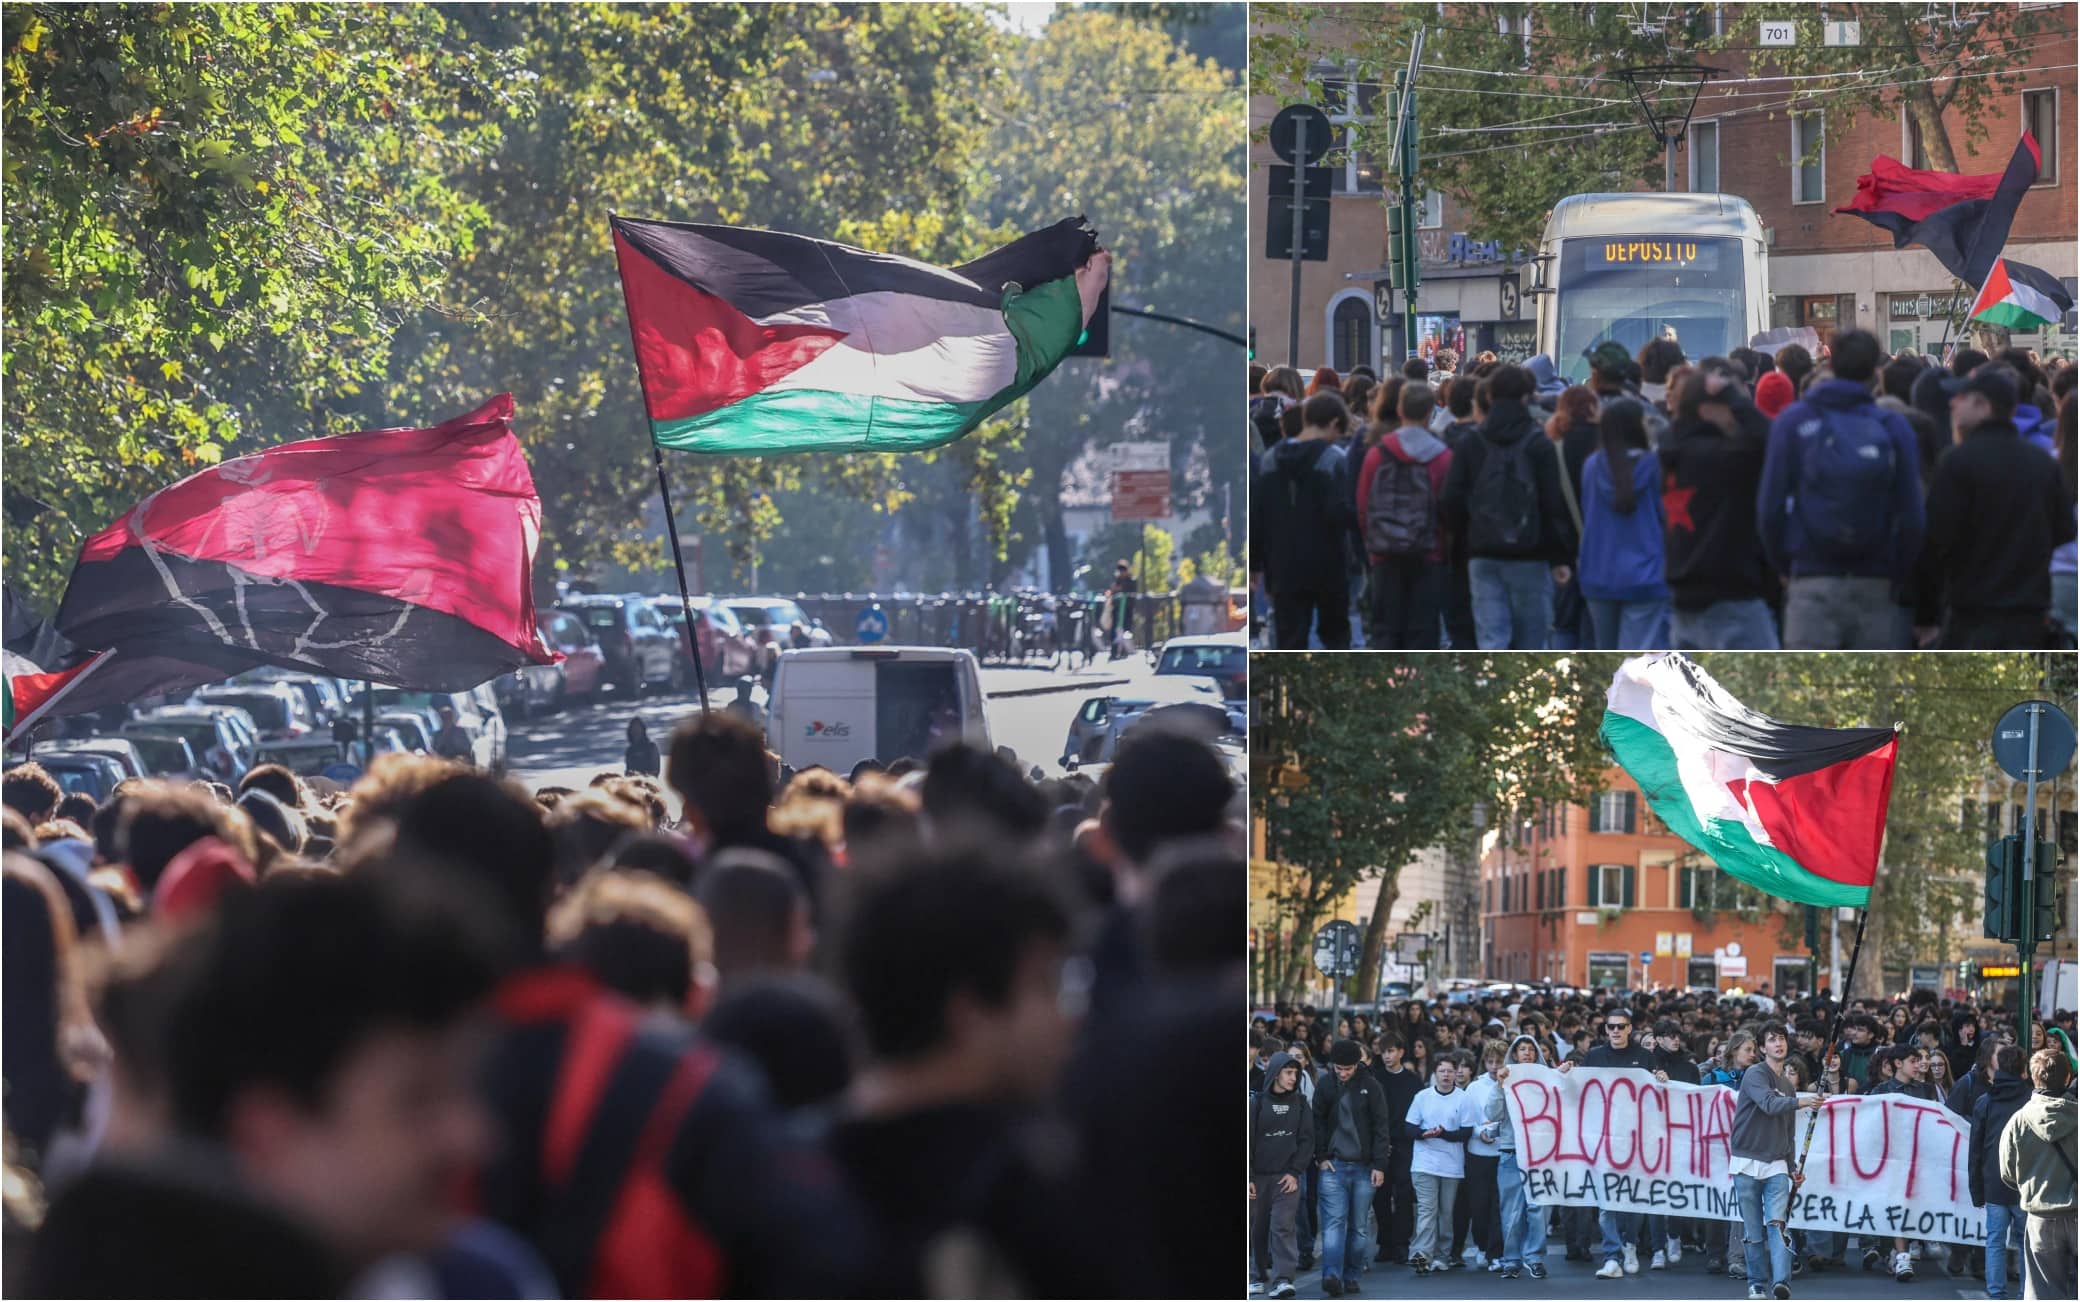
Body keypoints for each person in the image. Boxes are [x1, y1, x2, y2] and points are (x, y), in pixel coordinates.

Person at [1758, 329, 1925, 649]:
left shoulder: (1793, 422)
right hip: (1875, 580)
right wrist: (1894, 570)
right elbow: (1913, 515)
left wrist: (1786, 565)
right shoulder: (1893, 426)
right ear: (1877, 371)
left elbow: (1769, 508)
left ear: (1829, 365)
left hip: (1810, 577)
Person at [1915, 367, 2076, 647]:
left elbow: (1934, 541)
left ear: (1983, 406)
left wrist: (1926, 615)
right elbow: (2064, 530)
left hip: (1972, 612)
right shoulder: (2042, 463)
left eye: (1961, 397)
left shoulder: (1957, 462)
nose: (1952, 403)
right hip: (2031, 613)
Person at [1439, 365, 1576, 649]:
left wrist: (1465, 540)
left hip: (1481, 552)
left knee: (1491, 635)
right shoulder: (1539, 442)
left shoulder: (1470, 443)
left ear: (1488, 396)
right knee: (1531, 638)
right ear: (1529, 396)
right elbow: (1552, 503)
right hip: (1531, 552)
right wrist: (1560, 557)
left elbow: (1450, 499)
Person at [1660, 364, 1778, 649]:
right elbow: (1773, 439)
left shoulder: (1670, 454)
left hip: (1682, 599)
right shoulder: (1724, 459)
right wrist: (1733, 397)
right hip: (1731, 598)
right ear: (1708, 409)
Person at [1558, 1006, 1663, 1276]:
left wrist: (1662, 1081)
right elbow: (1580, 1094)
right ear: (1606, 1029)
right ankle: (1612, 1255)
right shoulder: (1594, 1056)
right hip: (1602, 1139)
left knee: (1633, 1199)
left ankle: (1629, 1244)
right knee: (1606, 1202)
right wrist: (1566, 1076)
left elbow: (1655, 1100)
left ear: (1630, 1029)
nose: (1615, 1031)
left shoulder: (1644, 1057)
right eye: (1611, 1026)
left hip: (1635, 1140)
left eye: (1621, 1026)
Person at [1251, 391, 1358, 649]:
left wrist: (1257, 563)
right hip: (1328, 560)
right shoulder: (1333, 459)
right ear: (1333, 423)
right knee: (1335, 634)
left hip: (1283, 561)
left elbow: (1258, 514)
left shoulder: (1271, 460)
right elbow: (1341, 512)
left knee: (1289, 636)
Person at [1730, 1022, 1824, 1301]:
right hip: (1746, 1162)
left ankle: (1781, 1283)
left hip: (1777, 1165)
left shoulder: (1788, 1086)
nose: (1778, 1043)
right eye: (1772, 1040)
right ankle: (1757, 1283)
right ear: (1762, 1048)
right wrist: (1806, 1102)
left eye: (1781, 1039)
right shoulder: (1753, 1074)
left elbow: (1788, 1132)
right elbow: (1770, 1106)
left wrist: (1792, 1166)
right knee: (1752, 1230)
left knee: (1777, 1225)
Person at [1357, 381, 1452, 648]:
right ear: (1429, 412)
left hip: (1384, 551)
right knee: (1424, 628)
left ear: (1399, 409)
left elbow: (1364, 504)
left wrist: (1370, 541)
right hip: (1428, 551)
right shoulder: (1442, 456)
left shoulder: (1377, 453)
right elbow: (1447, 506)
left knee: (1385, 628)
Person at [1578, 399, 1670, 649]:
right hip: (1646, 573)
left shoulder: (1592, 466)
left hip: (1598, 570)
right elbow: (1666, 516)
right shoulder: (1654, 465)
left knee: (1605, 651)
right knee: (1638, 658)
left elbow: (1587, 511)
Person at [1312, 1038, 1392, 1296]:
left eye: (1348, 1068)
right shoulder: (1325, 1085)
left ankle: (1352, 1276)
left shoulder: (1371, 1086)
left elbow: (1382, 1128)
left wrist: (1380, 1165)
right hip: (1333, 1165)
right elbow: (1316, 1123)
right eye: (1339, 1068)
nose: (1343, 1073)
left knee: (1358, 1227)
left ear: (1357, 1064)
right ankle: (1332, 1276)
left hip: (1364, 1168)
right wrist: (1321, 1157)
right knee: (1334, 1224)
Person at [1999, 1046, 2078, 1302]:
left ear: (2032, 1077)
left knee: (2043, 1290)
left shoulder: (2018, 1122)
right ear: (2068, 1078)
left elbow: (2007, 1172)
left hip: (2041, 1215)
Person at [1404, 1056, 1476, 1275]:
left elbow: (1466, 1132)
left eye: (1450, 1071)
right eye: (1442, 1071)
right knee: (1427, 1209)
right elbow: (1409, 1128)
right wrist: (1424, 1134)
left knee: (1446, 1213)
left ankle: (1442, 1255)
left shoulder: (1463, 1099)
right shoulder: (1422, 1097)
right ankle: (1421, 1254)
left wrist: (1443, 1134)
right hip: (1424, 1163)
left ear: (1456, 1074)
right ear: (1434, 1074)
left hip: (1451, 1166)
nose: (1446, 1075)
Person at [1970, 1044, 2032, 1300]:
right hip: (2026, 1184)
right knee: (2027, 1244)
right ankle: (2027, 1292)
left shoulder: (1985, 1102)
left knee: (1995, 1240)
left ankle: (1996, 1293)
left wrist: (1976, 1190)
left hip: (1994, 1182)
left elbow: (1975, 1150)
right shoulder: (2032, 1101)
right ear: (2023, 1071)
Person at [1250, 1051, 1313, 1299]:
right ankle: (1256, 1276)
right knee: (1256, 1229)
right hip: (1258, 1178)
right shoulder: (1256, 1102)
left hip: (1286, 1178)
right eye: (1288, 1072)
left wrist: (1295, 1172)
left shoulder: (1300, 1103)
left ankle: (1283, 1279)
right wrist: (1248, 1177)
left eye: (1296, 1073)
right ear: (1276, 1073)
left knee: (1283, 1227)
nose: (1293, 1077)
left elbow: (1307, 1140)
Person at [1489, 1035, 1549, 1280]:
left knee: (1538, 1209)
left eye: (1530, 1049)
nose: (1526, 1053)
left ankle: (1534, 1258)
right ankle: (1512, 1260)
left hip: (1540, 1155)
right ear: (1514, 1055)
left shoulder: (1547, 1080)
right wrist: (1499, 1086)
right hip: (1511, 1152)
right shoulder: (1505, 1081)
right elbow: (1491, 1113)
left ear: (1536, 1054)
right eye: (1521, 1049)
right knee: (1512, 1211)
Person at [1368, 1030, 1423, 1268]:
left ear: (1401, 1052)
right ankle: (1386, 1243)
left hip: (1406, 1143)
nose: (1386, 1055)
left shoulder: (1413, 1080)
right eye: (1383, 1051)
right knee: (1380, 1195)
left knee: (1403, 1195)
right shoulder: (1375, 1078)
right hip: (1380, 1143)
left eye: (1391, 1051)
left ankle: (1402, 1243)